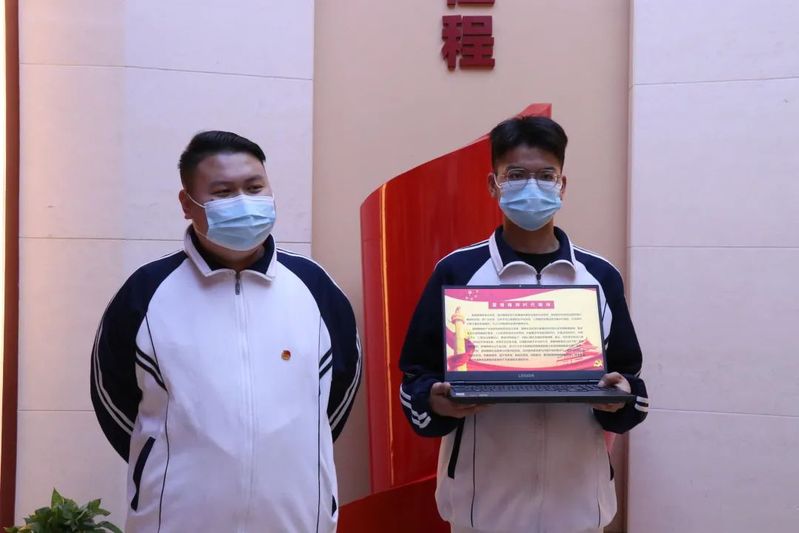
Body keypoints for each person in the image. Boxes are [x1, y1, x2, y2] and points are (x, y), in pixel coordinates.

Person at [90, 131, 361, 533]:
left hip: (295, 520)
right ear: (187, 203)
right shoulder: (145, 293)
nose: (244, 203)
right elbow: (114, 400)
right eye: (223, 192)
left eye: (254, 187)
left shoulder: (315, 288)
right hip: (175, 521)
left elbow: (338, 395)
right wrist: (163, 461)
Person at [398, 116, 648, 533]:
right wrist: (436, 403)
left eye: (546, 176)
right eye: (515, 175)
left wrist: (619, 398)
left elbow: (631, 381)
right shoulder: (457, 271)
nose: (532, 187)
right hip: (481, 511)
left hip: (578, 508)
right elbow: (415, 378)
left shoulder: (600, 276)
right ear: (493, 185)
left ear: (562, 185)